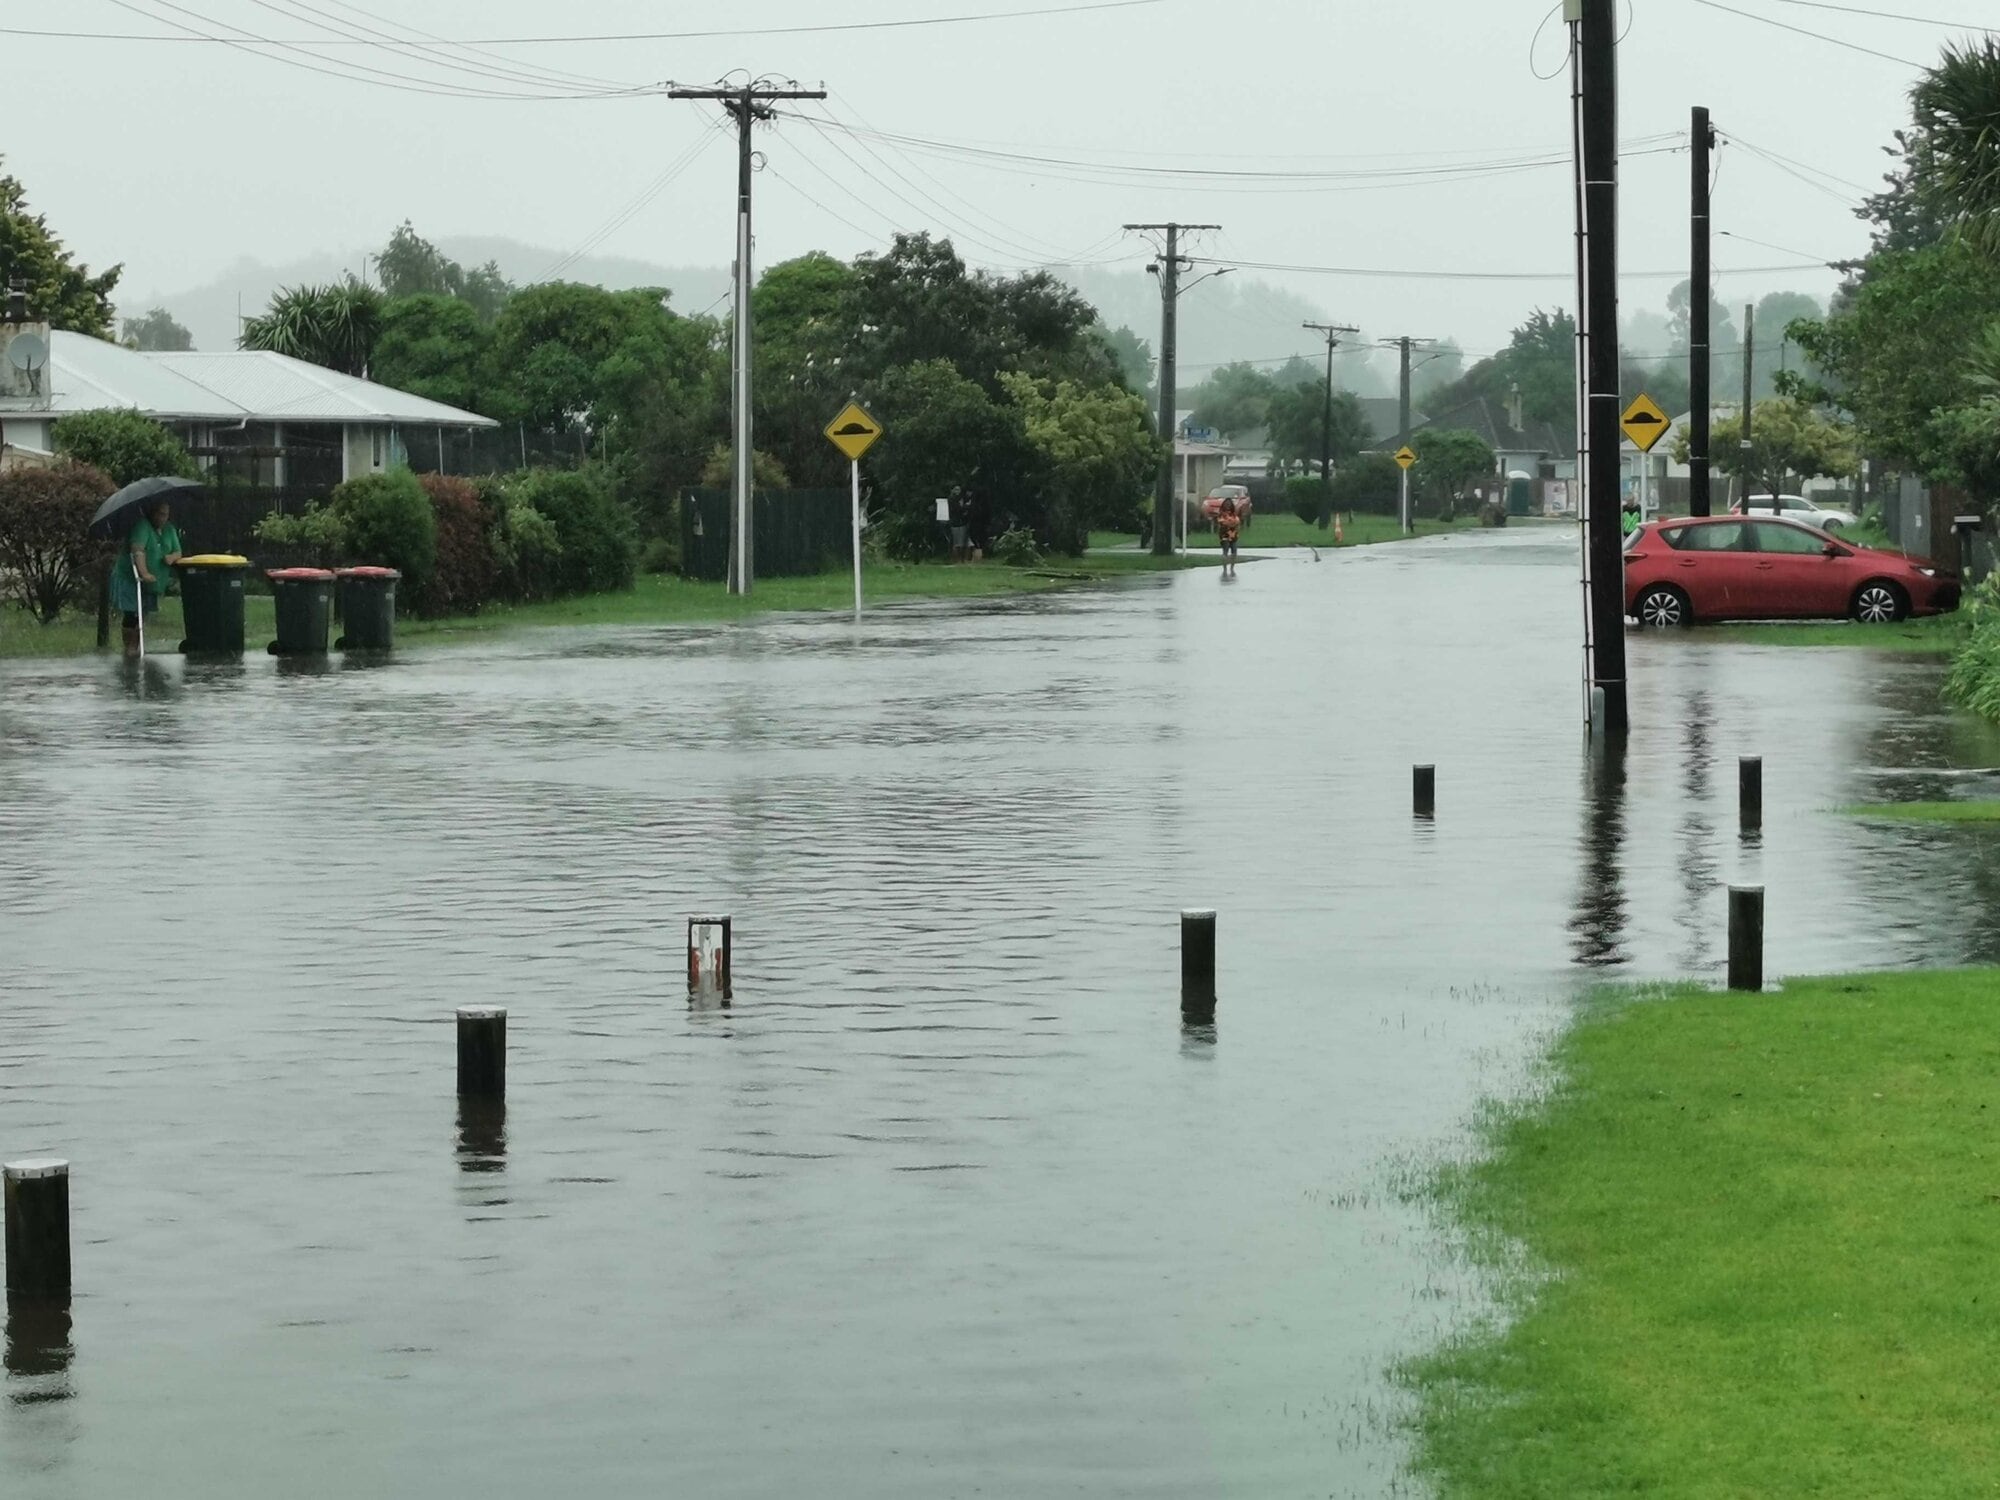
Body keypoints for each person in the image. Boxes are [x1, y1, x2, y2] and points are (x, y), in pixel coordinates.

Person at [108, 499, 182, 657]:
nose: (163, 518)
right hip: (131, 578)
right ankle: (130, 647)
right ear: (152, 513)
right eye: (160, 514)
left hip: (154, 582)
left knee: (144, 612)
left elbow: (178, 551)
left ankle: (137, 644)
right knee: (132, 612)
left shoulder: (169, 529)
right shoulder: (142, 526)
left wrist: (171, 557)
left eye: (166, 515)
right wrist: (144, 573)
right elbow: (138, 550)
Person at [1216, 497, 1242, 573]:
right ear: (1223, 505)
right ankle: (1224, 568)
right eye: (1226, 504)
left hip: (1233, 534)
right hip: (1224, 534)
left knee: (1234, 551)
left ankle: (1232, 568)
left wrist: (1232, 523)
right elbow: (1222, 522)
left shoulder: (1233, 514)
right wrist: (1231, 523)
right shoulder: (1221, 514)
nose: (1228, 506)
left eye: (1229, 504)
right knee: (1225, 550)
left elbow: (1237, 522)